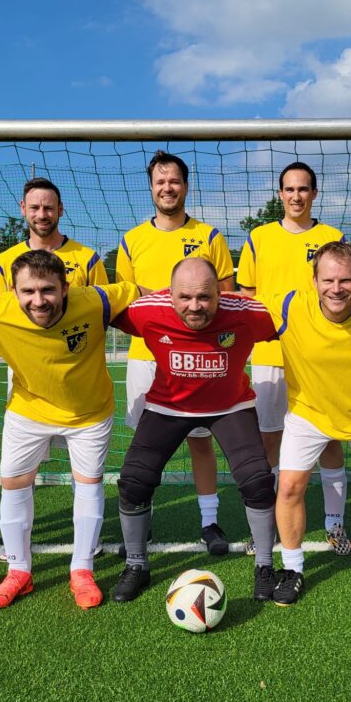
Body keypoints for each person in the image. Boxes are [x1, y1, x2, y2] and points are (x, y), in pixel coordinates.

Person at [0, 250, 142, 611]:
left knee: (89, 484)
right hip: (28, 411)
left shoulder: (96, 299)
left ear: (65, 288)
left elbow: (140, 291)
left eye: (48, 290)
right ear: (12, 292)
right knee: (14, 484)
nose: (38, 300)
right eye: (28, 291)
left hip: (88, 413)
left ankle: (82, 569)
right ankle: (19, 571)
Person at [109, 258, 279, 603]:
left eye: (204, 297)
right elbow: (94, 312)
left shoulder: (249, 313)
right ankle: (136, 565)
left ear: (220, 292)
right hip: (168, 406)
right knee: (134, 480)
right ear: (169, 294)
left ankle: (265, 565)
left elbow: (300, 320)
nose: (195, 306)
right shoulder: (147, 311)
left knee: (257, 480)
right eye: (184, 297)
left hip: (230, 406)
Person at [257, 241, 351, 607]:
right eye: (328, 280)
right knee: (288, 487)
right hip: (308, 414)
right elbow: (235, 308)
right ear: (314, 281)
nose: (336, 288)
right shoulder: (289, 305)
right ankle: (292, 568)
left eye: (345, 280)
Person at [115, 151, 236, 554]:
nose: (167, 188)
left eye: (174, 181)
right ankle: (142, 522)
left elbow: (227, 295)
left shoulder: (210, 236)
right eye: (160, 182)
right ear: (151, 188)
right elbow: (127, 302)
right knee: (146, 445)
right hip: (146, 356)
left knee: (200, 440)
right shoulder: (131, 240)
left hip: (196, 357)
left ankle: (209, 522)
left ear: (186, 186)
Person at [236, 161, 351, 556]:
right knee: (270, 440)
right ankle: (267, 526)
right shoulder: (259, 237)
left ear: (314, 193)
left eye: (303, 189)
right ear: (280, 194)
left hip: (321, 358)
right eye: (289, 189)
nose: (296, 196)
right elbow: (248, 297)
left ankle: (335, 524)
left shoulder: (332, 238)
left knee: (330, 438)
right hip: (271, 355)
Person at [0, 177, 108, 291]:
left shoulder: (89, 260)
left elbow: (102, 303)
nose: (42, 215)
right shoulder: (4, 262)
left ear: (60, 209)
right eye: (34, 208)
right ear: (23, 208)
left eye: (48, 208)